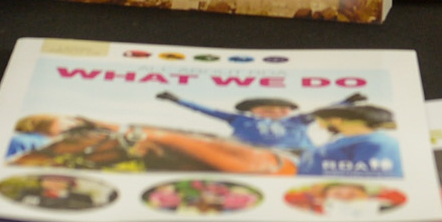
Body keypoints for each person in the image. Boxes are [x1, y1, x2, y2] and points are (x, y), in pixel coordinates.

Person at [162, 91, 313, 156]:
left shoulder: (298, 120)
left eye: (280, 109)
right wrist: (178, 100)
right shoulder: (240, 119)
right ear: (253, 110)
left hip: (297, 153)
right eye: (267, 109)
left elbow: (328, 110)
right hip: (246, 153)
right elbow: (208, 110)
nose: (274, 112)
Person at [298, 101, 401, 177]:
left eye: (320, 121)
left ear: (336, 120)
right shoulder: (347, 141)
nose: (321, 126)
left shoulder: (376, 145)